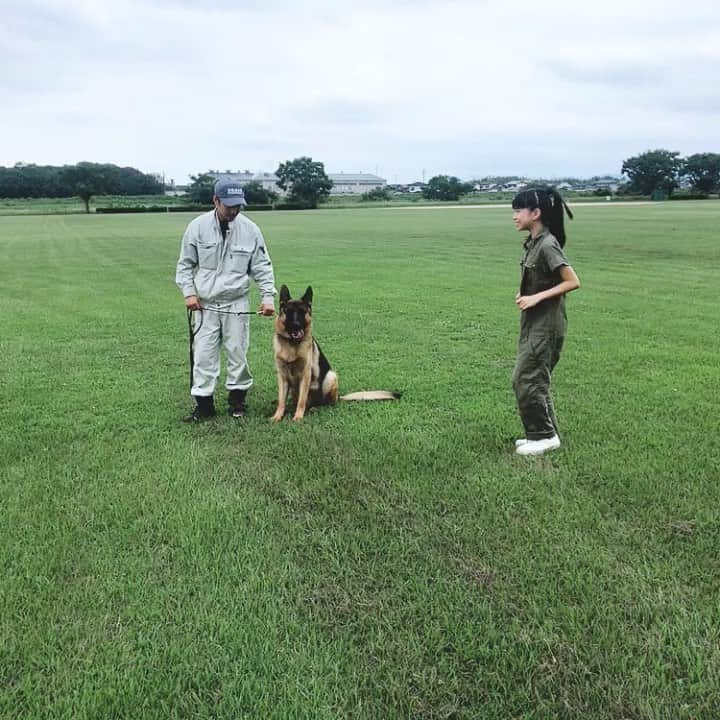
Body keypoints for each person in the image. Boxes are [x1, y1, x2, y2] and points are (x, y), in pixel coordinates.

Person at [175, 180, 276, 422]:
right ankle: (204, 405)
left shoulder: (251, 229)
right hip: (205, 304)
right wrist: (189, 293)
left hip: (236, 302)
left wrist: (267, 297)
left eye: (238, 206)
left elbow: (262, 266)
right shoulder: (197, 227)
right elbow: (185, 264)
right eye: (229, 206)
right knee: (203, 354)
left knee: (237, 351)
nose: (234, 211)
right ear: (216, 201)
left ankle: (237, 401)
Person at [510, 187, 580, 456]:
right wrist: (526, 293)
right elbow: (540, 277)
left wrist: (536, 297)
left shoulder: (548, 245)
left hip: (546, 325)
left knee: (525, 378)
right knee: (534, 378)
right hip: (534, 322)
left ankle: (544, 436)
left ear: (535, 213)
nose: (514, 216)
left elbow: (572, 281)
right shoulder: (534, 242)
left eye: (519, 210)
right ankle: (544, 433)